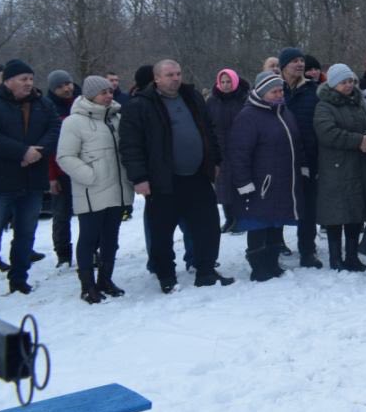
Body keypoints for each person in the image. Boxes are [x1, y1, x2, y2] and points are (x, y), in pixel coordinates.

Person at [120, 58, 230, 293]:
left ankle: (206, 271)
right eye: (169, 75)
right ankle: (166, 276)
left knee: (208, 226)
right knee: (161, 232)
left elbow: (208, 130)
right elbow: (131, 145)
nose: (176, 78)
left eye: (178, 73)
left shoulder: (192, 97)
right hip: (163, 180)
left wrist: (215, 160)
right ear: (156, 78)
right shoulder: (140, 105)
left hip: (198, 175)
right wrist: (139, 177)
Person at [0, 59, 59, 301]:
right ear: (8, 81)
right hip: (0, 181)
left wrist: (37, 153)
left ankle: (19, 280)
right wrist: (22, 152)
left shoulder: (43, 104)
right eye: (23, 79)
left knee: (26, 233)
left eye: (31, 78)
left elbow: (54, 130)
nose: (29, 83)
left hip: (32, 179)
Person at [55, 75, 134, 303]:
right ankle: (87, 285)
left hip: (118, 189)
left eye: (110, 91)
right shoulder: (74, 122)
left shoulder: (116, 118)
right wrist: (90, 176)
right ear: (90, 95)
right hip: (92, 191)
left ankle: (105, 279)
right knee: (89, 238)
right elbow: (65, 157)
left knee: (111, 238)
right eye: (103, 92)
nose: (109, 96)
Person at [224, 71, 302, 282]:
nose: (279, 95)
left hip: (283, 179)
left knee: (276, 222)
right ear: (261, 93)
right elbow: (239, 152)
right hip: (260, 181)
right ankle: (258, 266)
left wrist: (301, 168)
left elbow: (296, 143)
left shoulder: (284, 112)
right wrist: (243, 182)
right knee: (258, 223)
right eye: (274, 92)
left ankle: (272, 262)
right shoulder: (248, 116)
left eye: (280, 91)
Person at [313, 63, 366, 272]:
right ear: (333, 85)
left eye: (350, 81)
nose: (349, 85)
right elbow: (327, 132)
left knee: (356, 213)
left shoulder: (359, 102)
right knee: (336, 214)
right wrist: (358, 141)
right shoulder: (324, 106)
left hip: (359, 166)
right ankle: (335, 258)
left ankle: (352, 256)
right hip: (335, 168)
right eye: (343, 82)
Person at [277, 47, 323, 268]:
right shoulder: (274, 90)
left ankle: (307, 250)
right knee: (276, 204)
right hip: (278, 158)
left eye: (301, 60)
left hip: (308, 157)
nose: (300, 64)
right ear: (283, 66)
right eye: (294, 61)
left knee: (308, 207)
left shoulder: (314, 91)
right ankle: (275, 245)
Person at [207, 68, 249, 232]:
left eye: (228, 81)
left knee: (239, 184)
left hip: (240, 147)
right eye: (222, 82)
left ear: (235, 81)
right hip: (220, 149)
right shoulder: (212, 101)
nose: (225, 85)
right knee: (223, 186)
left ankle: (241, 219)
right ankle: (229, 218)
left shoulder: (244, 98)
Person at [45, 69, 77, 267]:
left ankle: (92, 250)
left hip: (83, 168)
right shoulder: (48, 108)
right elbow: (48, 146)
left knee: (91, 214)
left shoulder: (82, 102)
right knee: (61, 215)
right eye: (60, 86)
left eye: (68, 84)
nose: (66, 89)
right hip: (60, 169)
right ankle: (63, 255)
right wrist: (52, 176)